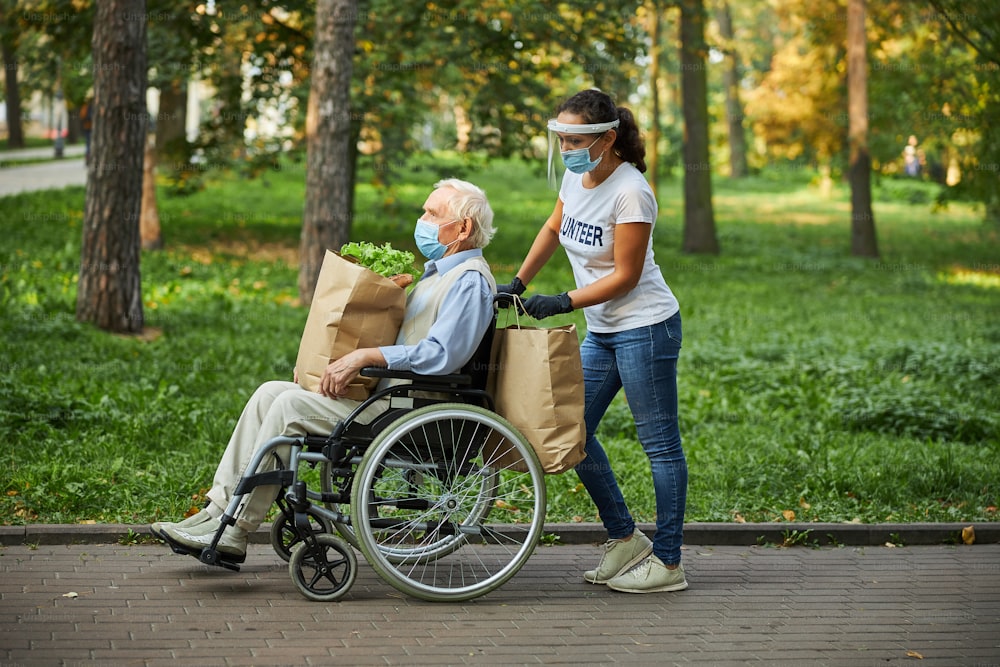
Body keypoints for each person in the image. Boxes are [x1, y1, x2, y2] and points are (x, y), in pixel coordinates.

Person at [152, 178, 498, 561]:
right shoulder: (439, 274)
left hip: (416, 409)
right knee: (271, 392)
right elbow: (404, 346)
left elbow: (441, 356)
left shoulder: (468, 281)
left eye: (432, 214)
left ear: (463, 228)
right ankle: (216, 511)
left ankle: (236, 529)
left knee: (289, 409)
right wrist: (330, 367)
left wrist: (364, 357)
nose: (422, 219)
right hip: (392, 398)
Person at [498, 89, 688, 594]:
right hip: (603, 331)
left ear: (607, 138)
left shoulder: (632, 191)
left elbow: (626, 277)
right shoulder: (574, 175)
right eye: (561, 137)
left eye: (577, 138)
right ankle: (625, 538)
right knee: (574, 431)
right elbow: (554, 226)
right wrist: (517, 282)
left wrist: (562, 301)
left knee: (660, 446)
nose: (566, 146)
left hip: (645, 327)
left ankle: (669, 563)